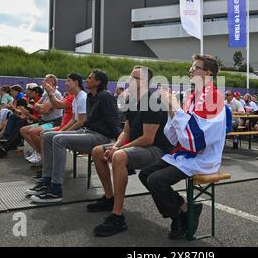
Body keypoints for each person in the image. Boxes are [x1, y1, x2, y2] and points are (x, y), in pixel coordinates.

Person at [139, 54, 226, 240]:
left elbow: (197, 138)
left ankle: (179, 217)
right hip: (185, 152)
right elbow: (175, 136)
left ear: (208, 73)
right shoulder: (193, 97)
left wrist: (175, 107)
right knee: (145, 175)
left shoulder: (215, 98)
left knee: (157, 181)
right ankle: (183, 209)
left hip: (202, 156)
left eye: (195, 67)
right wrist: (171, 109)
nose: (190, 70)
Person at [89, 66, 173, 237]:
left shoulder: (154, 101)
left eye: (135, 78)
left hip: (158, 149)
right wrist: (115, 146)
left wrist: (119, 149)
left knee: (119, 156)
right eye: (130, 76)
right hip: (141, 145)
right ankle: (109, 197)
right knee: (97, 151)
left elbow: (148, 139)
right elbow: (126, 131)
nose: (130, 80)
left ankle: (117, 216)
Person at [27, 70, 122, 203]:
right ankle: (47, 181)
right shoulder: (90, 96)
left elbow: (114, 121)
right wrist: (62, 130)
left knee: (58, 139)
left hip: (101, 137)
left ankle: (56, 191)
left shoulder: (105, 96)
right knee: (48, 136)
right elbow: (80, 120)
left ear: (98, 82)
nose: (86, 80)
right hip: (87, 132)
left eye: (89, 78)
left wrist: (119, 143)